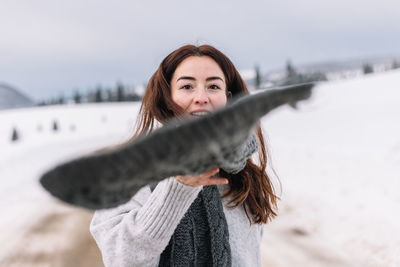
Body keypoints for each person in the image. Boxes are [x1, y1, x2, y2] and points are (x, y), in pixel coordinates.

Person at [90, 44, 278, 267]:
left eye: (213, 86)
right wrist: (178, 188)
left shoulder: (242, 171)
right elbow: (122, 258)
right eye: (187, 86)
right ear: (167, 98)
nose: (201, 97)